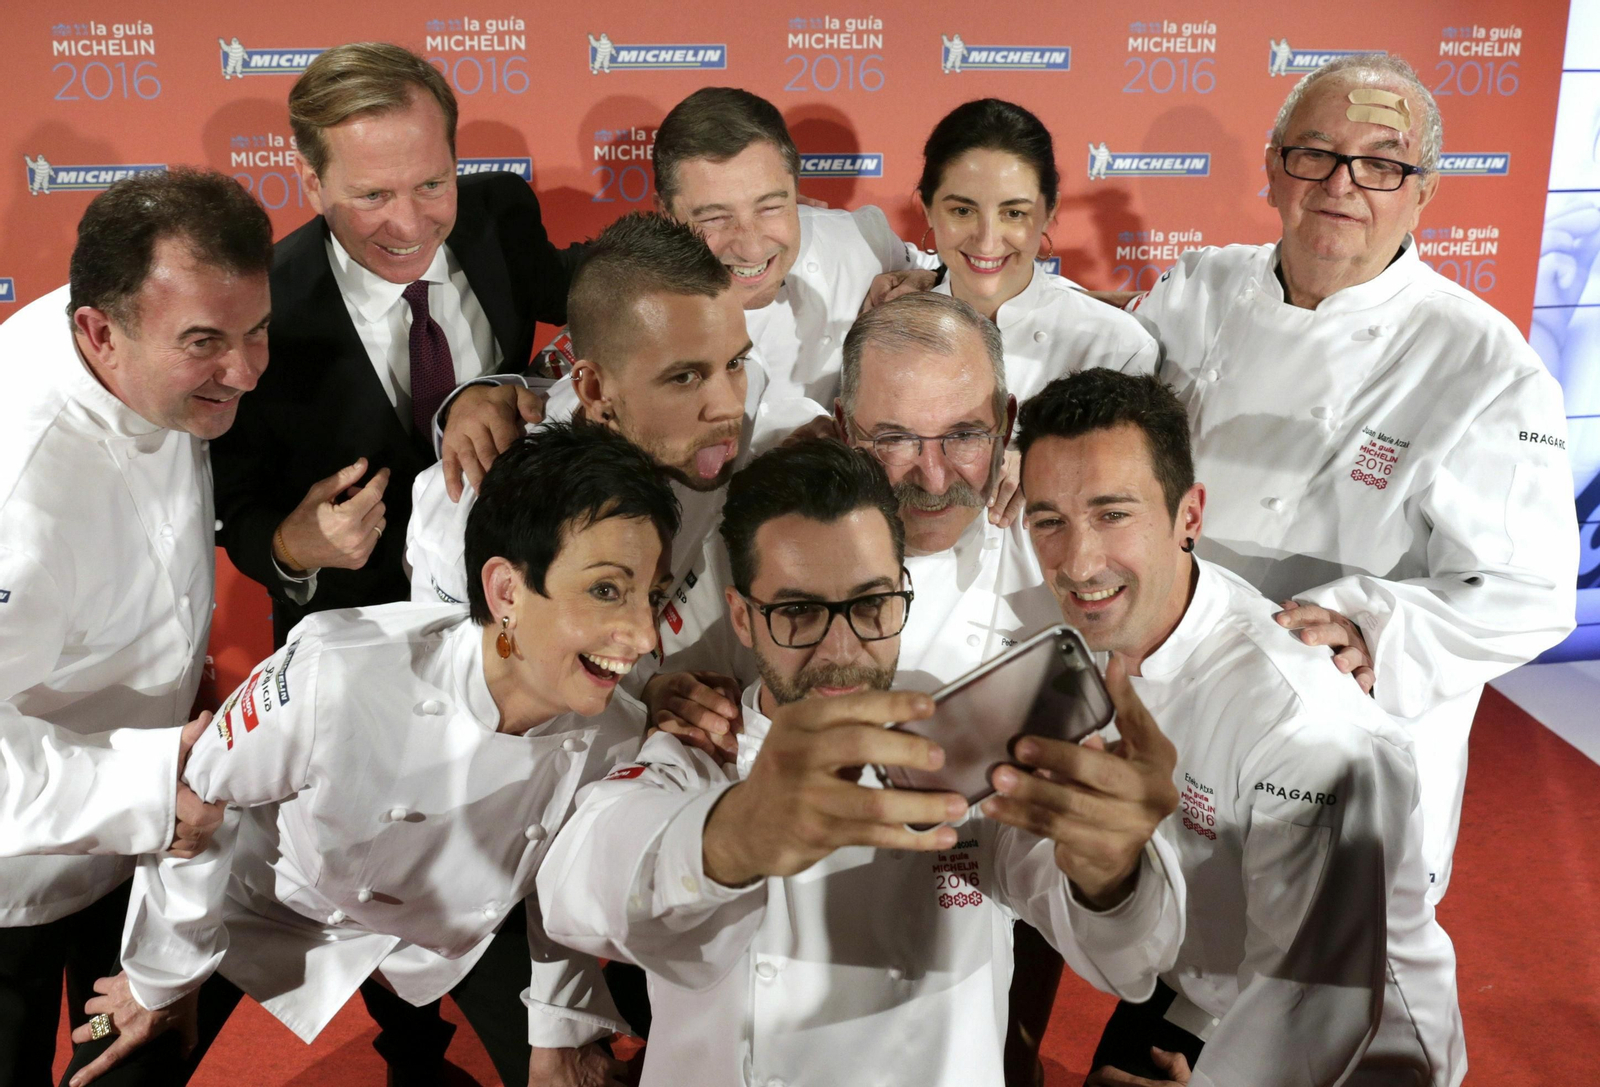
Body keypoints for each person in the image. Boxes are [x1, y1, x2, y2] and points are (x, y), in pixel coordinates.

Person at [535, 438, 1185, 1087]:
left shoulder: (968, 734)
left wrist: (1111, 878)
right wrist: (732, 835)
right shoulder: (705, 744)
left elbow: (1128, 961)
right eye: (798, 611)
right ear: (742, 616)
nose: (841, 648)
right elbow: (575, 892)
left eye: (871, 604)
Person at [63, 423, 678, 1087]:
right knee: (106, 1074)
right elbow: (196, 794)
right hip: (269, 898)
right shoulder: (338, 669)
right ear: (505, 592)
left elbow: (559, 894)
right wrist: (163, 977)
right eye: (608, 590)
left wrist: (559, 1028)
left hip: (450, 929)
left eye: (655, 593)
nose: (645, 634)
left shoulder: (618, 734)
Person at [1126, 52, 1577, 902]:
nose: (1342, 183)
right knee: (1165, 920)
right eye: (1316, 153)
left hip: (1338, 728)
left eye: (1381, 163)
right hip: (1178, 688)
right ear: (1273, 168)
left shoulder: (1483, 364)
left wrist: (1375, 624)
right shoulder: (1199, 286)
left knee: (1305, 981)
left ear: (1423, 190)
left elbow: (1530, 591)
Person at [1017, 369, 1464, 1087]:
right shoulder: (1072, 644)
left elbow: (1320, 1001)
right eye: (1049, 521)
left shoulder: (1300, 722)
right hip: (1200, 988)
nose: (1078, 560)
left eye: (1111, 514)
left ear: (1189, 515)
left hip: (1361, 1048)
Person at [0, 168, 269, 1083]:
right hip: (16, 881)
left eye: (256, 330)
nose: (245, 372)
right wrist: (152, 789)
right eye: (206, 343)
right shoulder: (17, 500)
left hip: (146, 848)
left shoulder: (137, 340)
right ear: (97, 332)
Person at [210, 42, 581, 647]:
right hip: (355, 641)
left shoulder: (498, 219)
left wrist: (502, 389)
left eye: (433, 184)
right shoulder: (260, 312)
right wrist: (292, 549)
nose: (410, 226)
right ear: (311, 181)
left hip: (518, 630)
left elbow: (605, 302)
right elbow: (232, 501)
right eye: (372, 196)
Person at [408, 212, 826, 737]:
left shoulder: (742, 401)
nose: (726, 408)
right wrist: (634, 697)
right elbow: (465, 696)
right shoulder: (471, 512)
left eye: (734, 365)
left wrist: (644, 689)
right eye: (685, 377)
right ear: (595, 391)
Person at [437, 86, 932, 500]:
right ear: (666, 215)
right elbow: (559, 394)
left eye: (770, 207)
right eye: (714, 218)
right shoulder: (635, 292)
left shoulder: (858, 242)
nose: (751, 243)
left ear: (797, 193)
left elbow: (943, 269)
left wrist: (932, 288)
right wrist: (481, 397)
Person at [918, 99, 1157, 402]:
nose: (987, 241)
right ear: (928, 208)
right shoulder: (886, 337)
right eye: (963, 210)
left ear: (1049, 211)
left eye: (1014, 213)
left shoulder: (1115, 345)